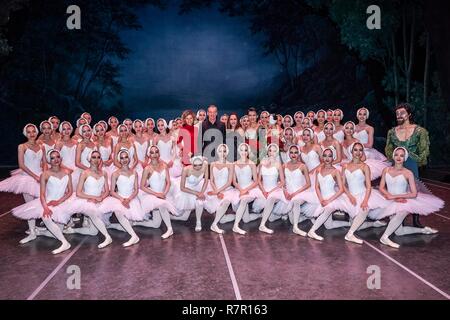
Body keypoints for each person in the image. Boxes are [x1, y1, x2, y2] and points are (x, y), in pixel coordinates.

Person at [376, 147, 442, 248]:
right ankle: (424, 230)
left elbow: (414, 193)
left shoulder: (408, 173)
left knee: (403, 211)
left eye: (401, 155)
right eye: (397, 154)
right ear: (393, 156)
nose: (399, 157)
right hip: (390, 200)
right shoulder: (386, 170)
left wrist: (396, 196)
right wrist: (390, 196)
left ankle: (384, 237)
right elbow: (381, 187)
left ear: (405, 158)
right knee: (399, 232)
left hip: (403, 200)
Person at [12, 149, 74, 254]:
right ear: (49, 161)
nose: (55, 160)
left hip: (62, 202)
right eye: (52, 158)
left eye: (57, 157)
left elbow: (70, 191)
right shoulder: (45, 174)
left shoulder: (67, 173)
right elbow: (42, 194)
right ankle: (65, 243)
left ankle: (40, 232)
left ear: (61, 159)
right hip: (48, 202)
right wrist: (45, 207)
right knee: (46, 217)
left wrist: (59, 201)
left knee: (56, 231)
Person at [385, 102, 430, 228]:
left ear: (409, 114)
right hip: (397, 164)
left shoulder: (420, 131)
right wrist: (394, 159)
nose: (399, 115)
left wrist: (415, 161)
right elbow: (389, 149)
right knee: (397, 189)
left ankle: (416, 220)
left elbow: (424, 150)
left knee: (414, 190)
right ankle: (398, 218)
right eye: (397, 113)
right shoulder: (392, 132)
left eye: (402, 112)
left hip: (412, 163)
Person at [137, 145, 177, 238]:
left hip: (163, 194)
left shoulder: (164, 165)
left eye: (156, 152)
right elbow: (142, 186)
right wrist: (157, 194)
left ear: (159, 154)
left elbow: (168, 182)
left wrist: (164, 193)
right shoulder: (147, 169)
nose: (154, 154)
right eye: (152, 152)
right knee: (158, 217)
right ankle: (169, 229)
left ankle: (169, 229)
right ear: (149, 155)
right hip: (153, 195)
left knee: (157, 221)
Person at [253, 144, 285, 234]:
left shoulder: (278, 164)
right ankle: (273, 215)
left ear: (277, 152)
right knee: (271, 218)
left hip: (274, 190)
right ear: (267, 151)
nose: (272, 153)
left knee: (270, 200)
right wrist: (263, 191)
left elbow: (282, 182)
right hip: (264, 189)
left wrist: (270, 191)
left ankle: (262, 225)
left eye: (274, 151)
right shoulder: (263, 162)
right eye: (270, 150)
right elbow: (259, 180)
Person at [205, 144, 238, 234]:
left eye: (224, 151)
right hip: (215, 189)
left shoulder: (230, 165)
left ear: (227, 153)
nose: (222, 153)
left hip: (226, 190)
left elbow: (229, 182)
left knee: (226, 202)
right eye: (220, 151)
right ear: (217, 152)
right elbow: (211, 180)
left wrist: (219, 192)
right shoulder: (212, 164)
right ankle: (235, 216)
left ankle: (214, 224)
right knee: (222, 219)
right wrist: (216, 192)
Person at [172, 155, 209, 232]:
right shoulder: (186, 169)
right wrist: (197, 193)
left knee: (200, 202)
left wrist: (201, 193)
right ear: (192, 164)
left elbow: (206, 181)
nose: (198, 167)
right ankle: (168, 217)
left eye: (200, 165)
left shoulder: (205, 165)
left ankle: (198, 222)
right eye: (195, 165)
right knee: (182, 217)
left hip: (198, 187)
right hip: (187, 189)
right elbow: (182, 187)